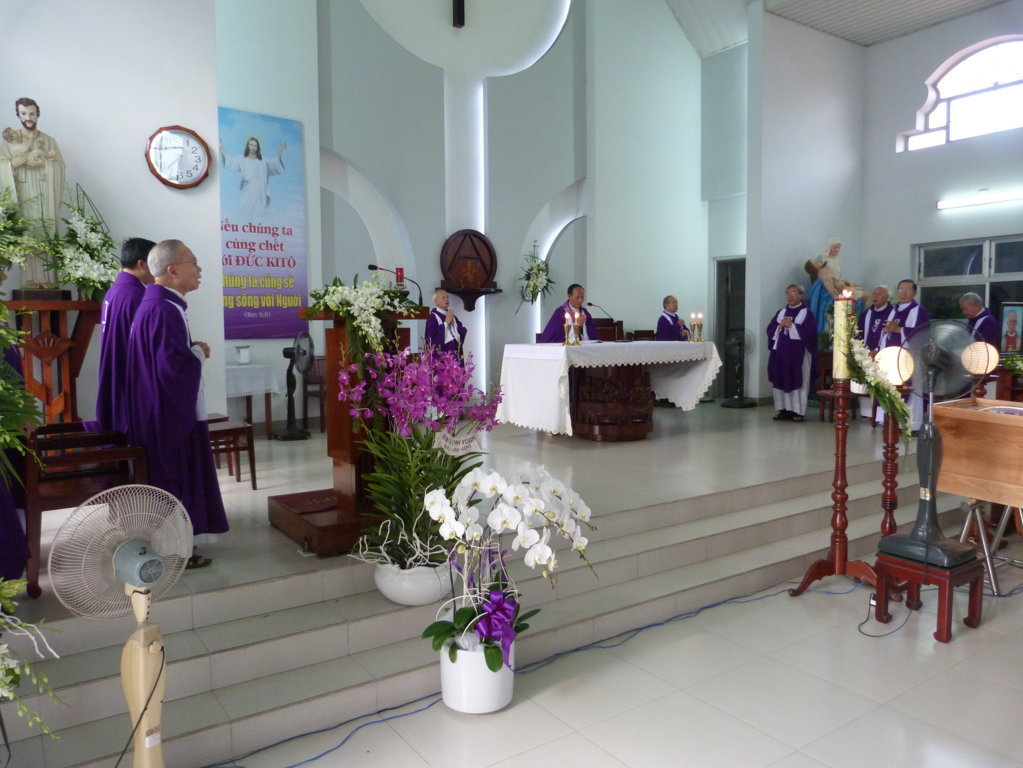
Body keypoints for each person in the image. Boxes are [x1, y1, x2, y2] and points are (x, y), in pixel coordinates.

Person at [126, 240, 228, 568]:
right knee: (174, 475)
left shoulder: (160, 304)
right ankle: (174, 550)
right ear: (172, 271)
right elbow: (172, 369)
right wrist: (197, 353)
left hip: (156, 407)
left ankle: (178, 545)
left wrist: (190, 350)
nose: (199, 269)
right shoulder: (163, 309)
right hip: (167, 414)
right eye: (193, 263)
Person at [92, 237, 156, 434]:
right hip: (130, 377)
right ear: (141, 264)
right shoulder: (136, 295)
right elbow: (147, 344)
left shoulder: (116, 290)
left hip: (115, 369)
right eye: (155, 262)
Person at [0, 97, 65, 287]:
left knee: (46, 228)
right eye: (24, 113)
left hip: (45, 191)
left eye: (32, 113)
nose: (28, 117)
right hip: (23, 192)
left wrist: (45, 164)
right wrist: (13, 164)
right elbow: (2, 165)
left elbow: (60, 166)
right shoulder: (10, 141)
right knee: (28, 231)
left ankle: (49, 279)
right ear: (19, 115)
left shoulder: (49, 141)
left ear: (37, 114)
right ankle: (29, 279)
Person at [879, 279, 930, 431]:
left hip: (910, 356)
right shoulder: (893, 310)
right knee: (891, 388)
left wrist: (899, 330)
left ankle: (911, 425)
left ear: (914, 293)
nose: (903, 293)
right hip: (892, 357)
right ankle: (891, 421)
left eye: (907, 290)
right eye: (900, 290)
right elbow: (885, 331)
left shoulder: (919, 311)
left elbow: (922, 334)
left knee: (911, 389)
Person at [766, 284, 818, 422]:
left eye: (794, 293)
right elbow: (770, 329)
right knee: (780, 379)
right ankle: (783, 410)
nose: (790, 296)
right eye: (788, 293)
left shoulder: (807, 313)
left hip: (799, 354)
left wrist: (792, 326)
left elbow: (810, 333)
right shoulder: (781, 312)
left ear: (801, 295)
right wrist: (780, 326)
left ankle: (798, 411)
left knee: (799, 380)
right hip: (780, 354)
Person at [219, 136, 286, 219]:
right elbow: (230, 160)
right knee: (245, 215)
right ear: (248, 145)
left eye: (255, 145)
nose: (253, 147)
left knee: (259, 216)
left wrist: (280, 152)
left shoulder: (263, 160)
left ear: (258, 147)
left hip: (260, 193)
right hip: (247, 192)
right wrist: (221, 149)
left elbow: (274, 164)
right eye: (251, 145)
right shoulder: (242, 159)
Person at [424, 288, 466, 357]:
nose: (446, 299)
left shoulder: (453, 317)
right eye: (443, 298)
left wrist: (454, 326)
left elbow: (460, 336)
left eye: (447, 297)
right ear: (436, 302)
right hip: (442, 356)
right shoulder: (432, 317)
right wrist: (446, 323)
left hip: (455, 353)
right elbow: (432, 339)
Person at [857, 285, 890, 353]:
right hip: (865, 353)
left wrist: (877, 350)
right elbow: (858, 332)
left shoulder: (892, 313)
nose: (875, 296)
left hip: (884, 353)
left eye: (879, 294)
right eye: (874, 294)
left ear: (886, 297)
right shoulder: (865, 314)